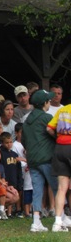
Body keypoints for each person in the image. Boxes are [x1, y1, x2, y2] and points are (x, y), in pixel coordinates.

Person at [23, 89, 57, 232]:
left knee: (37, 190)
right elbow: (55, 135)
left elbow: (24, 142)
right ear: (44, 103)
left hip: (32, 160)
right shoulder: (46, 117)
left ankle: (36, 221)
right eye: (48, 100)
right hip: (47, 159)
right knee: (58, 188)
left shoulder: (26, 121)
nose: (50, 102)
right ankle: (60, 218)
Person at [46, 92, 71, 232]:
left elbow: (49, 128)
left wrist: (58, 137)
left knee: (62, 188)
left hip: (60, 148)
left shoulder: (62, 110)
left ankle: (57, 223)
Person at [0, 132, 23, 217]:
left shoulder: (14, 154)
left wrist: (19, 180)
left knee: (14, 194)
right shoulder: (1, 154)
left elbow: (18, 169)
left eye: (10, 142)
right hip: (5, 178)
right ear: (2, 143)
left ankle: (9, 212)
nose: (9, 144)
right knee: (6, 194)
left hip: (14, 177)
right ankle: (4, 212)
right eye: (6, 142)